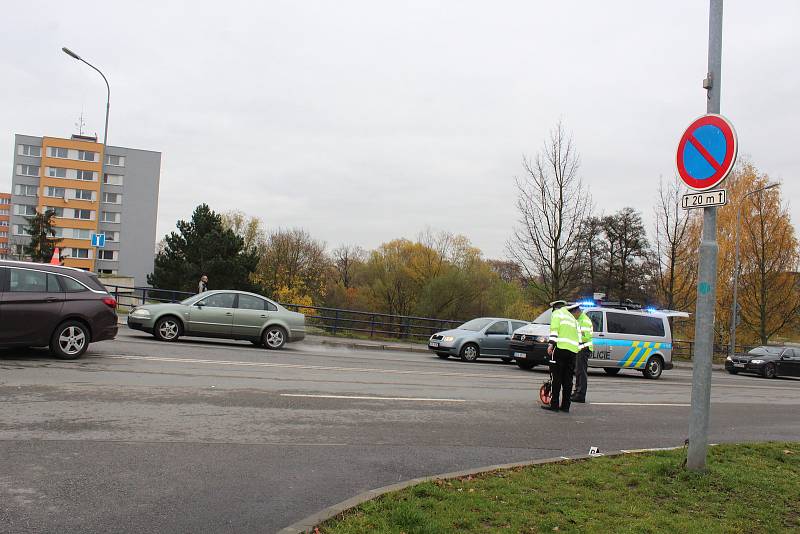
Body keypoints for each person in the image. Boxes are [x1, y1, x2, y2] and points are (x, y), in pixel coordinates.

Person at [542, 302, 582, 413]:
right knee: (568, 380)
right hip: (572, 352)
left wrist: (551, 344)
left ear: (554, 308)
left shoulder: (557, 314)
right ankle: (565, 406)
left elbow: (554, 330)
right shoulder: (573, 319)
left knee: (556, 377)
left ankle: (554, 404)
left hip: (559, 349)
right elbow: (579, 338)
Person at [572, 307, 594, 403]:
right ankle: (577, 392)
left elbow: (586, 337)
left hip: (583, 348)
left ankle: (580, 395)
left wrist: (574, 337)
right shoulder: (580, 319)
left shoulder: (584, 321)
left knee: (581, 372)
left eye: (573, 314)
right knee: (578, 371)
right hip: (580, 348)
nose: (572, 316)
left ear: (577, 312)